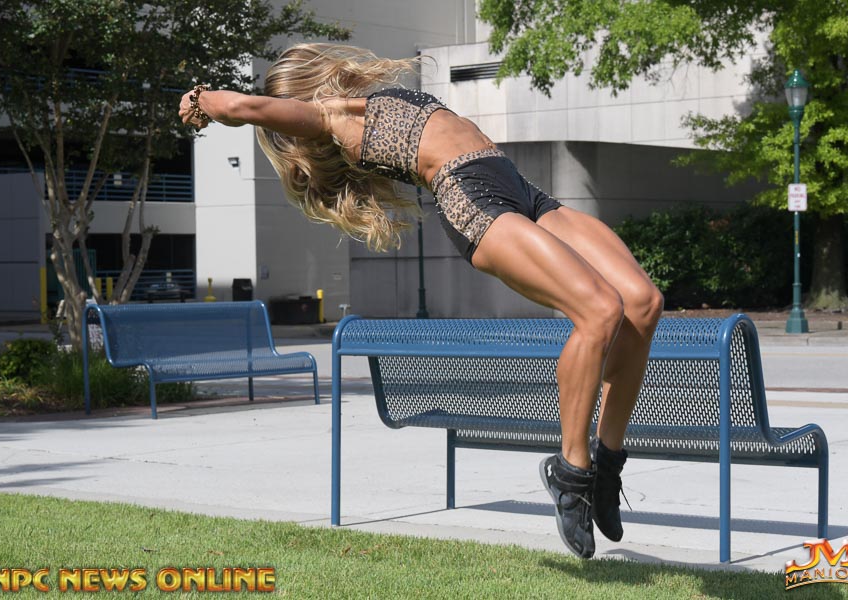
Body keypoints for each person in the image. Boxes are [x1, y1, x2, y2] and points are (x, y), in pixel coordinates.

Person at [178, 43, 663, 559]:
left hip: (522, 190)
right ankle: (571, 473)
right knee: (599, 311)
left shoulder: (366, 104)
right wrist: (202, 100)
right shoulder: (328, 118)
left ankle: (608, 465)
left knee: (642, 302)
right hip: (474, 200)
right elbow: (244, 107)